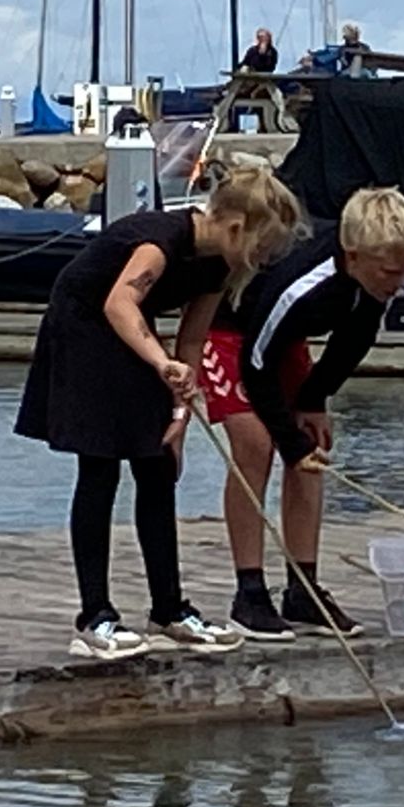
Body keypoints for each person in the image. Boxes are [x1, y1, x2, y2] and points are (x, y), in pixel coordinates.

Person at [16, 167, 306, 660]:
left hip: (134, 331)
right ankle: (94, 615)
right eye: (263, 248)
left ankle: (168, 608)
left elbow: (191, 340)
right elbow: (119, 303)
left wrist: (179, 413)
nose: (263, 260)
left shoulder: (219, 265)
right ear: (237, 226)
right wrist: (160, 362)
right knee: (100, 466)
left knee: (157, 465)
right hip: (84, 326)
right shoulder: (161, 241)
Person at [198, 186, 404, 641]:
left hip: (283, 341)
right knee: (256, 444)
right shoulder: (304, 283)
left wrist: (314, 401)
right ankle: (249, 592)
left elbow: (352, 342)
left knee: (313, 446)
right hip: (232, 332)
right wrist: (289, 441)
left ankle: (303, 589)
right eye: (390, 272)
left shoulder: (375, 280)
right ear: (353, 256)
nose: (400, 283)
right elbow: (256, 364)